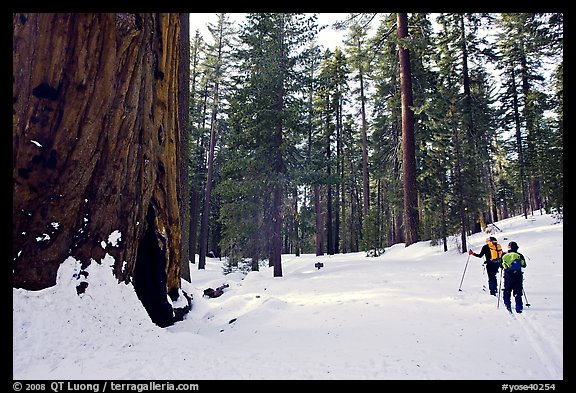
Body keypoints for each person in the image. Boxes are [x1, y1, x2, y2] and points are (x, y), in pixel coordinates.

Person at [501, 241, 527, 313]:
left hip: (508, 275)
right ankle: (519, 307)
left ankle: (507, 304)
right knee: (518, 290)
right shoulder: (519, 255)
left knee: (507, 290)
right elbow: (524, 265)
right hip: (518, 275)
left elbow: (501, 265)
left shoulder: (504, 255)